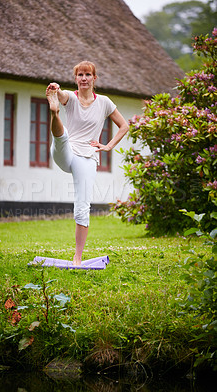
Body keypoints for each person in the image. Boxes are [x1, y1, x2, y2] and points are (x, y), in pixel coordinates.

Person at [46, 61, 129, 265]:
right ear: (76, 79)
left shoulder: (104, 102)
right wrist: (57, 91)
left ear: (94, 78)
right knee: (62, 136)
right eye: (80, 75)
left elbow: (124, 125)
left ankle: (78, 257)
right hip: (66, 152)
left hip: (87, 157)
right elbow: (64, 94)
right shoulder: (70, 98)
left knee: (82, 206)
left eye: (88, 75)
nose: (84, 78)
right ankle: (54, 112)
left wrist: (108, 146)